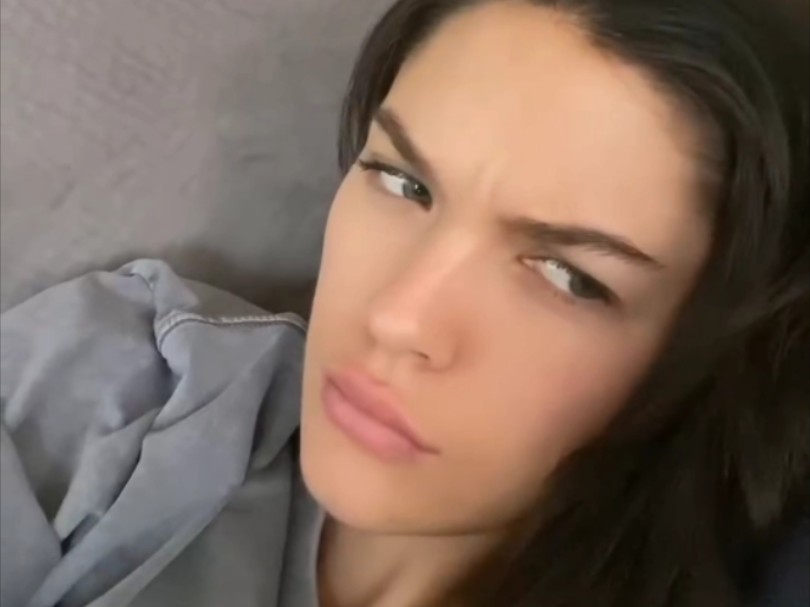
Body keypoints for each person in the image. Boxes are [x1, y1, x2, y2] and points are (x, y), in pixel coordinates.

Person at [1, 0, 807, 606]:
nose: (397, 317)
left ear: (710, 355)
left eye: (567, 276)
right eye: (402, 182)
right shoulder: (138, 380)